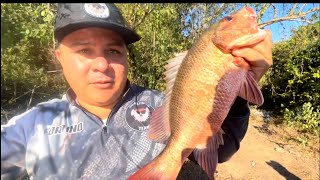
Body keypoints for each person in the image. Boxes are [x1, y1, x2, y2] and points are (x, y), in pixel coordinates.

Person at [1, 3, 273, 180]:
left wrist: (236, 96)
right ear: (58, 57)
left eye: (113, 50)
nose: (101, 65)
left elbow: (218, 152)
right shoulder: (29, 127)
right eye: (84, 50)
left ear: (126, 57)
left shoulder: (160, 105)